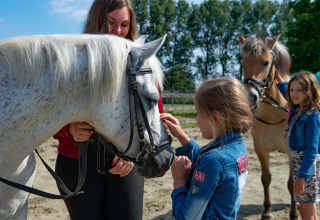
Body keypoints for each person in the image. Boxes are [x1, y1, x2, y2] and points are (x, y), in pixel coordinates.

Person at [53, 0, 164, 219]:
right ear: (96, 20)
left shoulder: (141, 62)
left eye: (124, 24)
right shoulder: (70, 61)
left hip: (124, 165)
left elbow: (154, 114)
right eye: (111, 22)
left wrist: (134, 156)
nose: (118, 31)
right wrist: (69, 130)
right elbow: (47, 115)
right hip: (77, 163)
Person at [160, 77, 252, 219]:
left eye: (198, 113)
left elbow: (187, 217)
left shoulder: (214, 160)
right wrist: (181, 136)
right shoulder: (236, 147)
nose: (196, 119)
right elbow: (209, 164)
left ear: (216, 117)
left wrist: (179, 181)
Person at [276, 71, 320, 220]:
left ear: (309, 91)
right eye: (292, 90)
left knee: (305, 210)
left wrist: (302, 177)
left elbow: (312, 149)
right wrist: (278, 78)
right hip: (299, 165)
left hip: (306, 167)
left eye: (299, 90)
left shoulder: (312, 116)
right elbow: (285, 90)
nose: (293, 94)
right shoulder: (297, 107)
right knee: (309, 207)